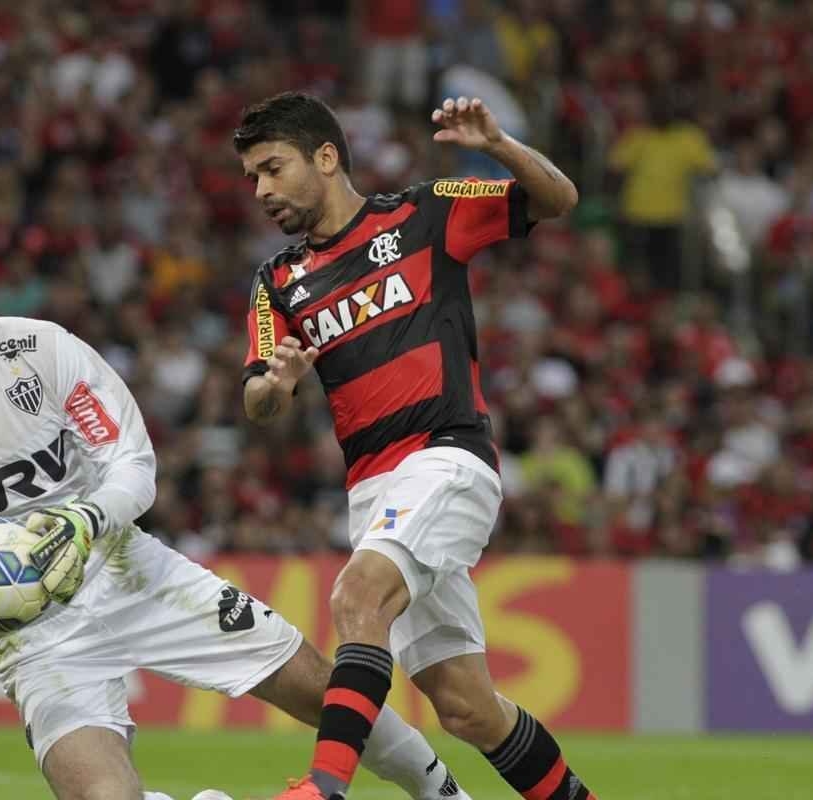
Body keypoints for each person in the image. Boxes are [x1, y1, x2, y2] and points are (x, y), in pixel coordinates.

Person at [0, 217, 472, 800]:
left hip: (124, 570)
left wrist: (83, 521)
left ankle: (441, 791)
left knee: (319, 687)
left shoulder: (42, 354)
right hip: (30, 637)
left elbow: (133, 466)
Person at [235, 92, 597, 800]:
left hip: (445, 457)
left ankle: (324, 789)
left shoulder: (427, 209)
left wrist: (497, 144)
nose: (262, 191)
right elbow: (256, 400)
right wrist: (276, 384)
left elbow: (557, 198)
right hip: (372, 493)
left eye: (273, 169)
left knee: (358, 595)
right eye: (252, 177)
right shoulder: (274, 283)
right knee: (466, 707)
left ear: (327, 156)